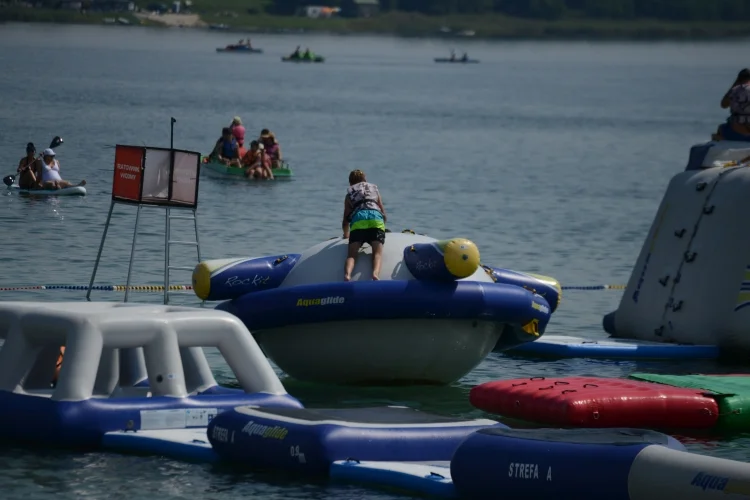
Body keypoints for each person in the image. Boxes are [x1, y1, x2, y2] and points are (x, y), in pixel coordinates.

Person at [342, 169, 387, 281]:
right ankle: (375, 274)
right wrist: (382, 225)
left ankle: (347, 275)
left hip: (359, 220)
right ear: (365, 180)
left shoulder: (349, 195)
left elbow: (345, 219)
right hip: (375, 219)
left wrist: (346, 234)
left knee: (352, 255)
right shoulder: (374, 190)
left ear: (350, 183)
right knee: (377, 253)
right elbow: (383, 212)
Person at [714, 69, 750, 142]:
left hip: (735, 131)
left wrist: (735, 84)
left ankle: (720, 147)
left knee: (721, 128)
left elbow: (723, 105)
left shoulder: (734, 90)